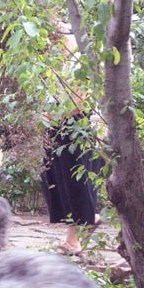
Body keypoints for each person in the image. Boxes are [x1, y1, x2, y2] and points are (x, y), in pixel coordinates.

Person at [40, 110, 104, 256]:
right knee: (54, 177)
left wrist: (54, 114)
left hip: (74, 125)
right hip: (55, 125)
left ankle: (73, 238)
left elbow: (79, 100)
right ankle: (89, 220)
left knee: (73, 178)